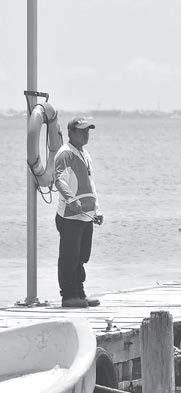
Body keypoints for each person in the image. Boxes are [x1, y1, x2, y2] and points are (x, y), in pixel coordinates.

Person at [54, 117, 104, 308]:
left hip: (86, 216)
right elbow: (60, 180)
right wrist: (71, 200)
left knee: (82, 257)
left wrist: (97, 210)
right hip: (69, 217)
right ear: (71, 133)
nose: (86, 134)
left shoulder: (85, 154)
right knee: (70, 257)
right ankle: (68, 296)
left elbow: (90, 185)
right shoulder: (65, 154)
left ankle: (80, 293)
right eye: (82, 131)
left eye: (87, 131)